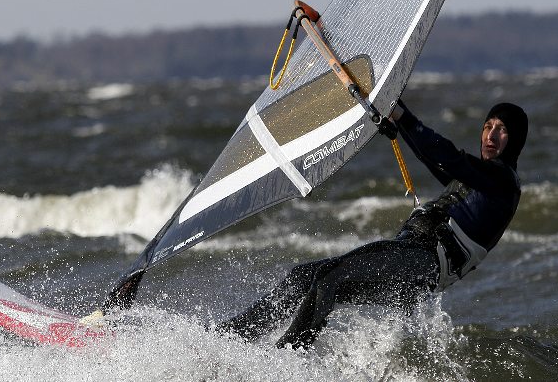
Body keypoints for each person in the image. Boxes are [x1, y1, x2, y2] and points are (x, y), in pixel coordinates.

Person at [215, 101, 528, 349]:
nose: (490, 135)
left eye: (502, 130)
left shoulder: (502, 182)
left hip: (424, 264)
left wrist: (401, 114)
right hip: (409, 256)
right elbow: (429, 157)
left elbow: (449, 156)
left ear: (515, 139)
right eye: (487, 126)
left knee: (328, 279)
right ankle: (229, 339)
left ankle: (283, 362)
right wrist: (393, 113)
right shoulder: (479, 179)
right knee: (302, 278)